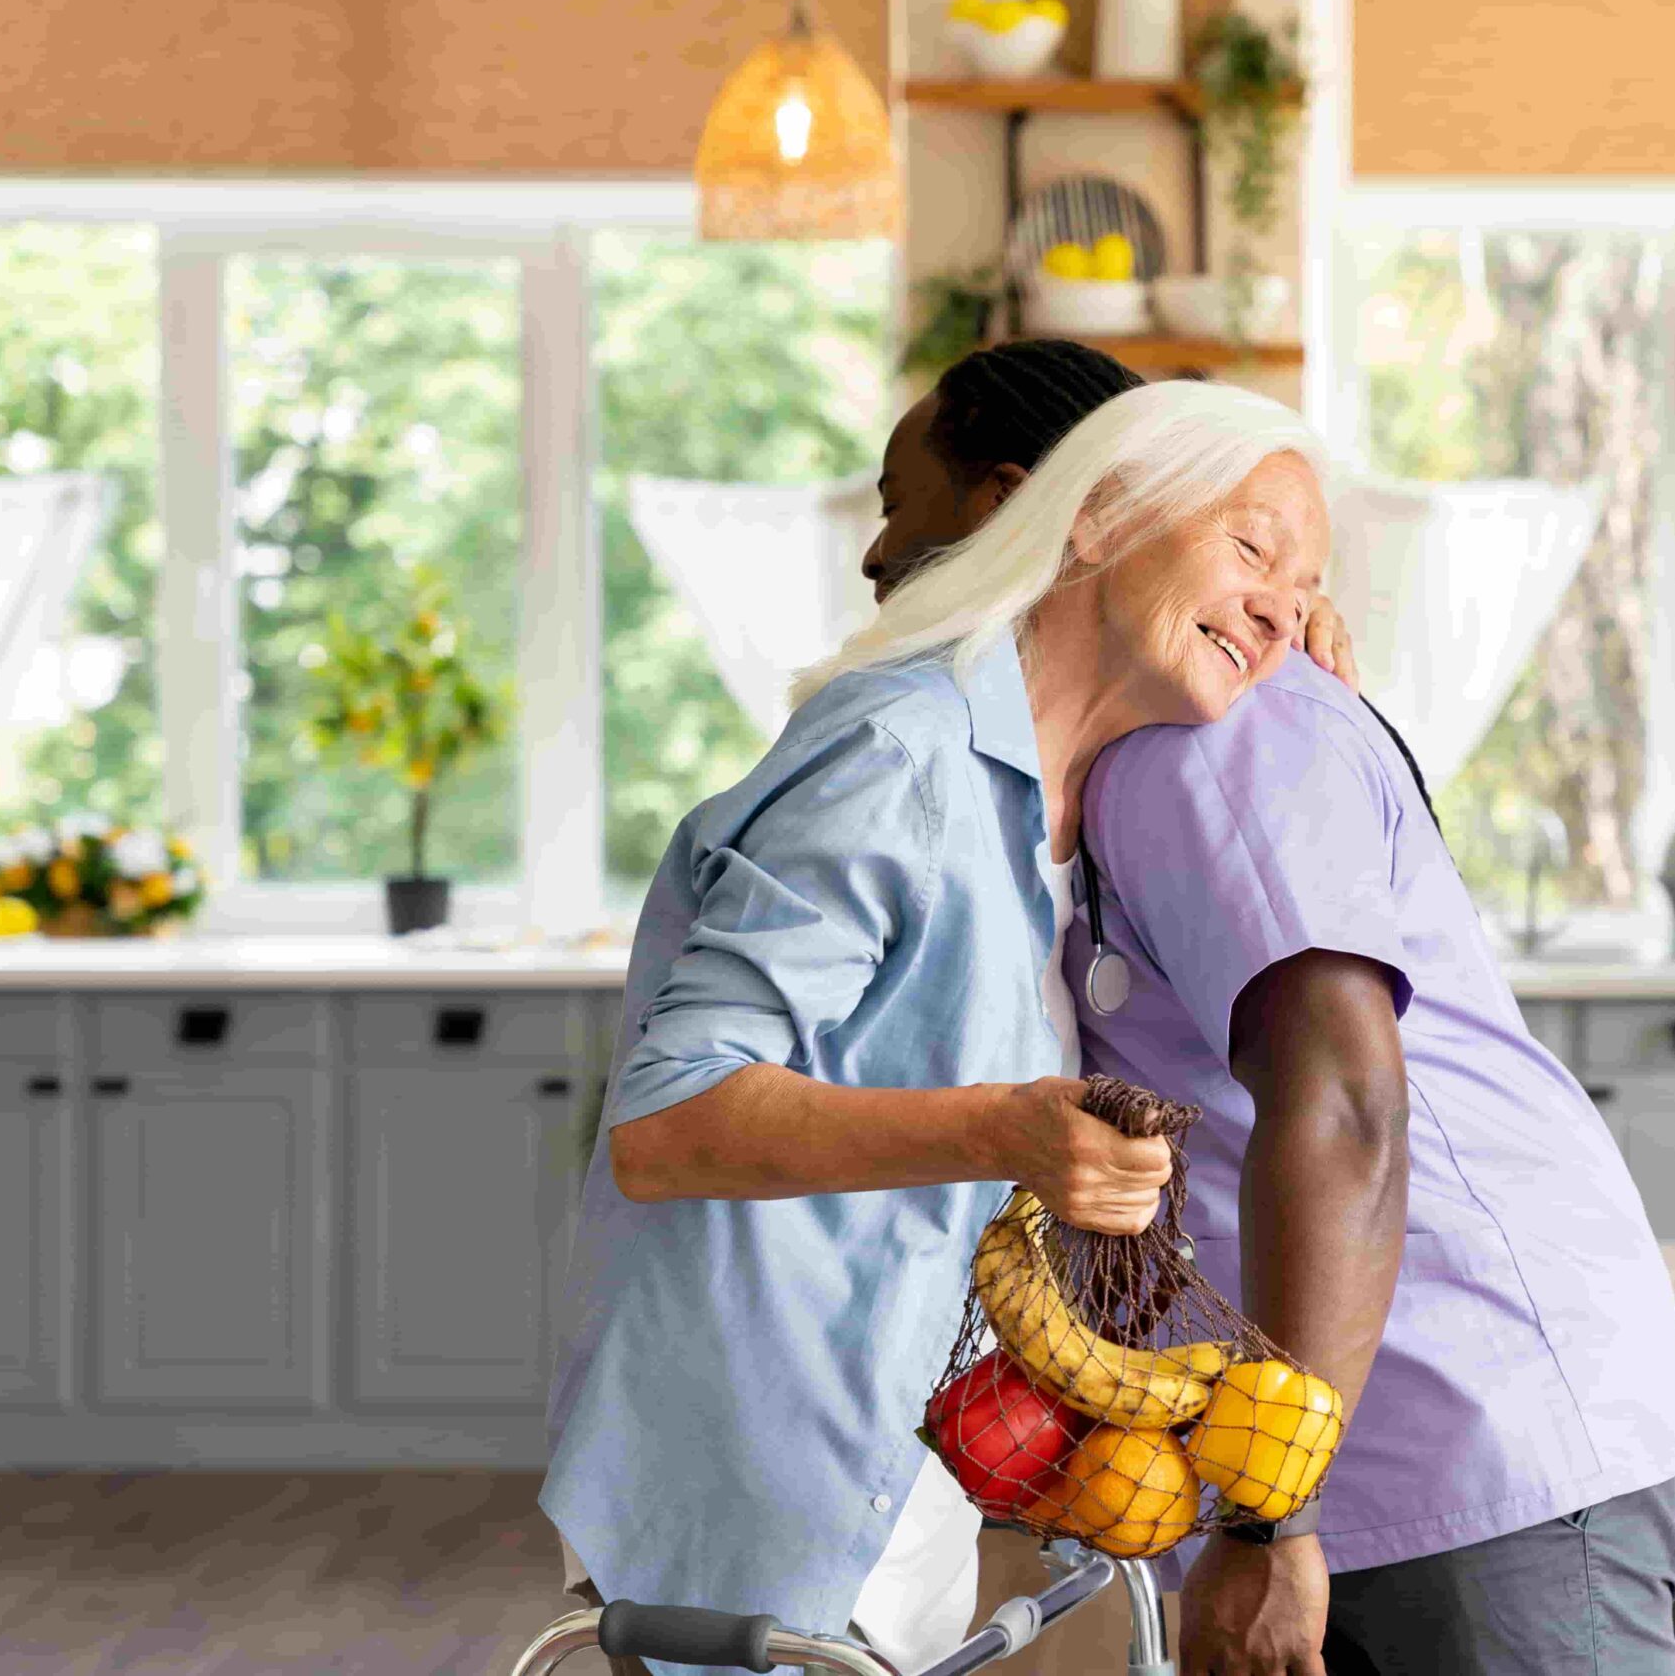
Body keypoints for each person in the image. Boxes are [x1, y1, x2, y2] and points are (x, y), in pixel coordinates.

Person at [542, 377, 1334, 1676]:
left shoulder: (1067, 806)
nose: (1280, 604)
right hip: (757, 1484)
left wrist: (1279, 639)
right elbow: (669, 1115)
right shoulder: (900, 755)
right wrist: (1004, 1126)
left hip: (878, 1468)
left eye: (1301, 584)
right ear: (1091, 521)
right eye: (1253, 548)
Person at [1071, 651, 1675, 1675]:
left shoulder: (1216, 736)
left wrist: (1267, 1523)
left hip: (1460, 1424)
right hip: (1331, 1450)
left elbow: (1346, 1112)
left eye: (898, 501)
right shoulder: (1098, 740)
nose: (882, 553)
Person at [864, 339, 1358, 686]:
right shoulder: (891, 746)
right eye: (1249, 549)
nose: (871, 558)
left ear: (1004, 503)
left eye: (893, 508)